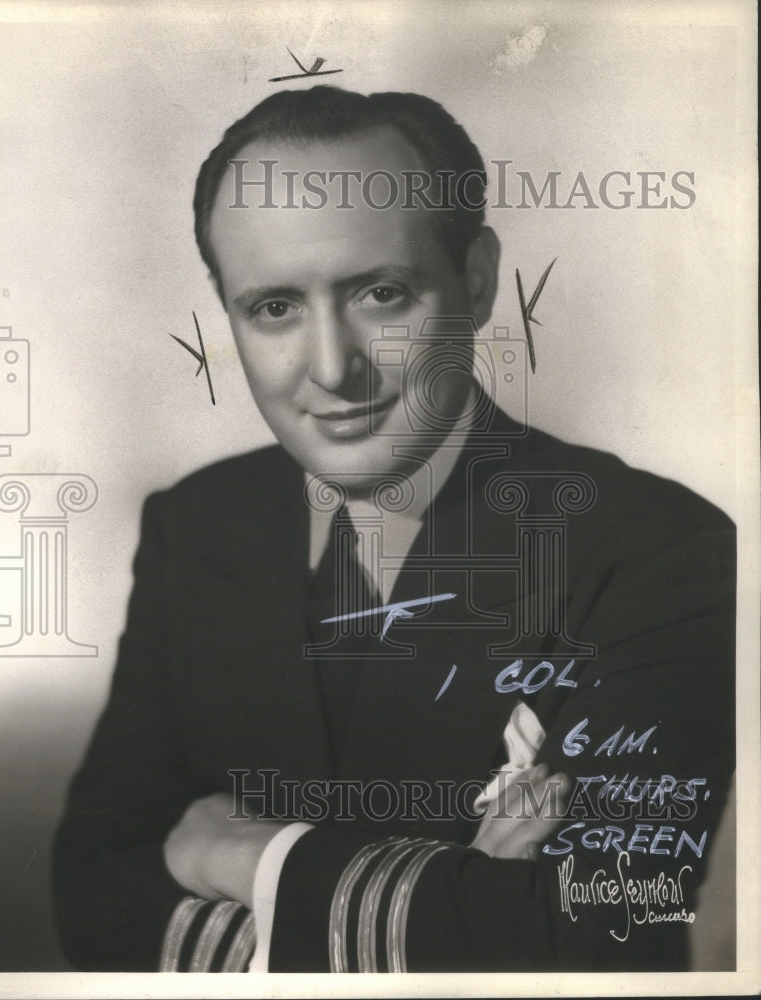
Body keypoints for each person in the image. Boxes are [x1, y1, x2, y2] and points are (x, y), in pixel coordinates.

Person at [52, 86, 736, 973]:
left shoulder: (656, 550)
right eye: (274, 309)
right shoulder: (196, 526)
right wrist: (457, 893)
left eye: (380, 294)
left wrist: (244, 856)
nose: (332, 368)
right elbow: (92, 900)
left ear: (479, 280)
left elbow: (595, 942)